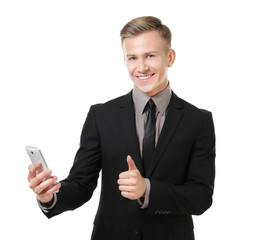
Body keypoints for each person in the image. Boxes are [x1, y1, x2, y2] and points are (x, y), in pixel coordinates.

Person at [28, 16, 215, 240]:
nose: (141, 67)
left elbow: (201, 197)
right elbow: (81, 184)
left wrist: (147, 189)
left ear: (170, 57)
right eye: (132, 58)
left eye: (150, 55)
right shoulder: (101, 116)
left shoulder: (198, 120)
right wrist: (50, 196)